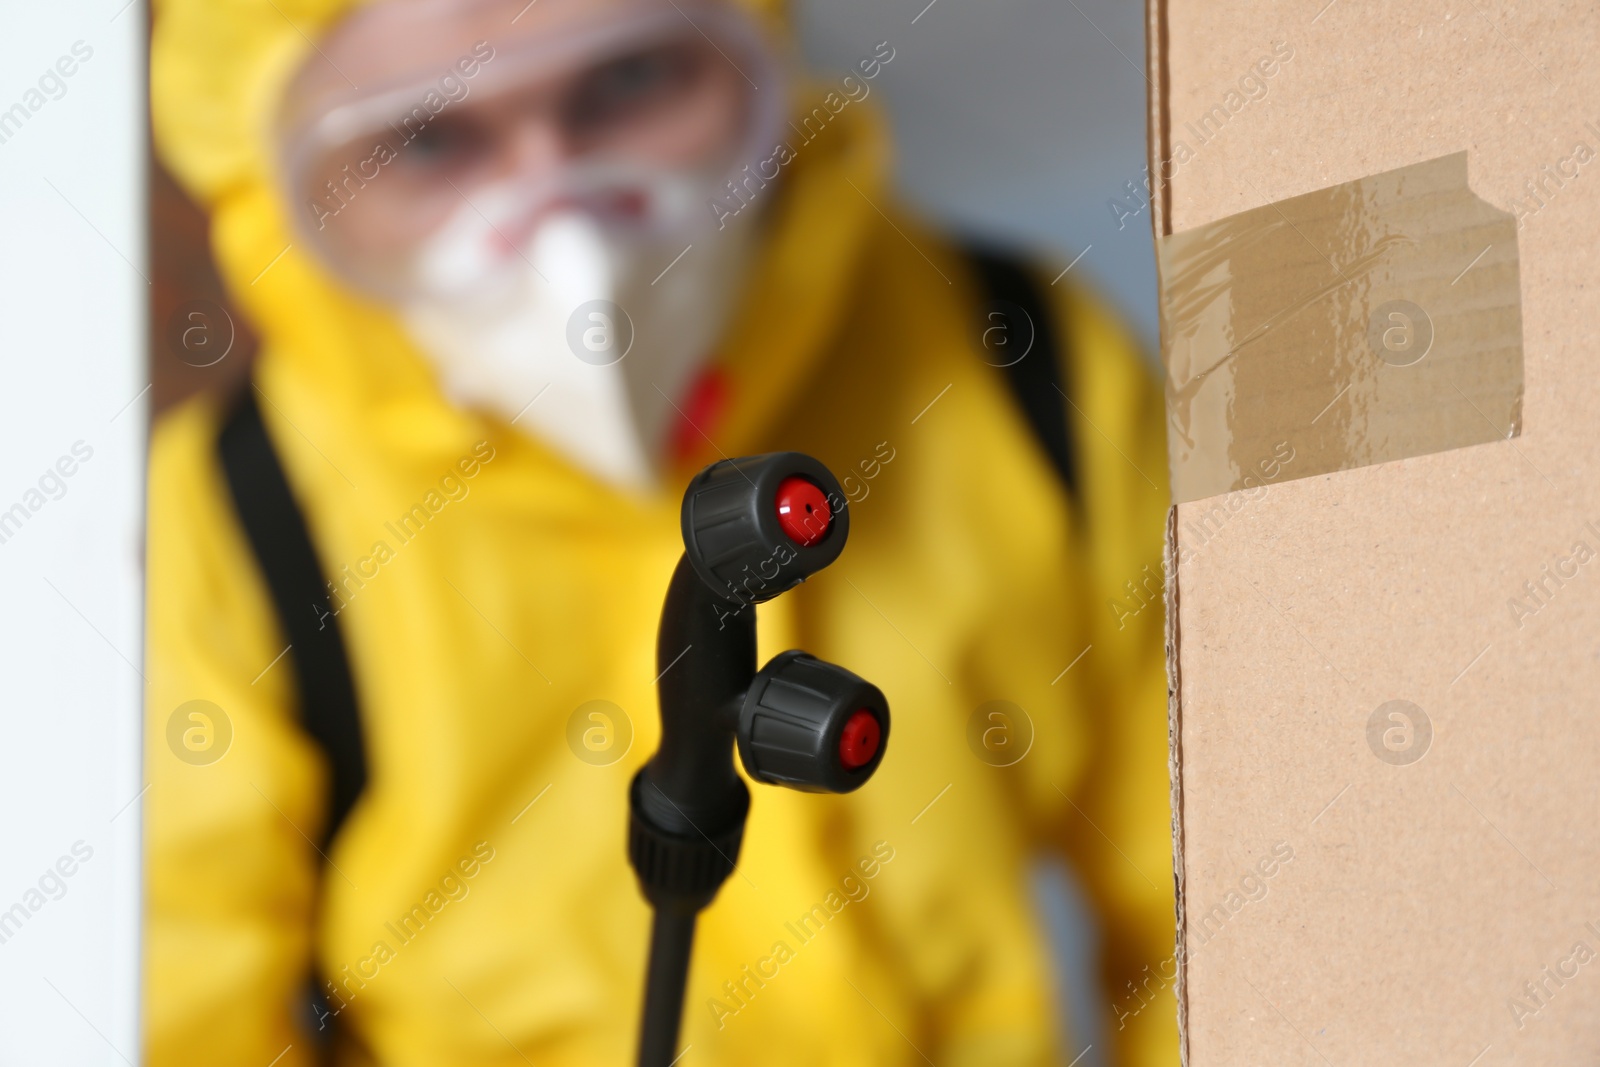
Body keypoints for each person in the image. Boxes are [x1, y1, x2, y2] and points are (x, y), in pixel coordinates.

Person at [145, 0, 1177, 1063]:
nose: (562, 217)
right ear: (281, 190)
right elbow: (186, 1014)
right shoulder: (235, 520)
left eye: (628, 81)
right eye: (427, 139)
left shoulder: (1024, 369)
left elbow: (1209, 908)